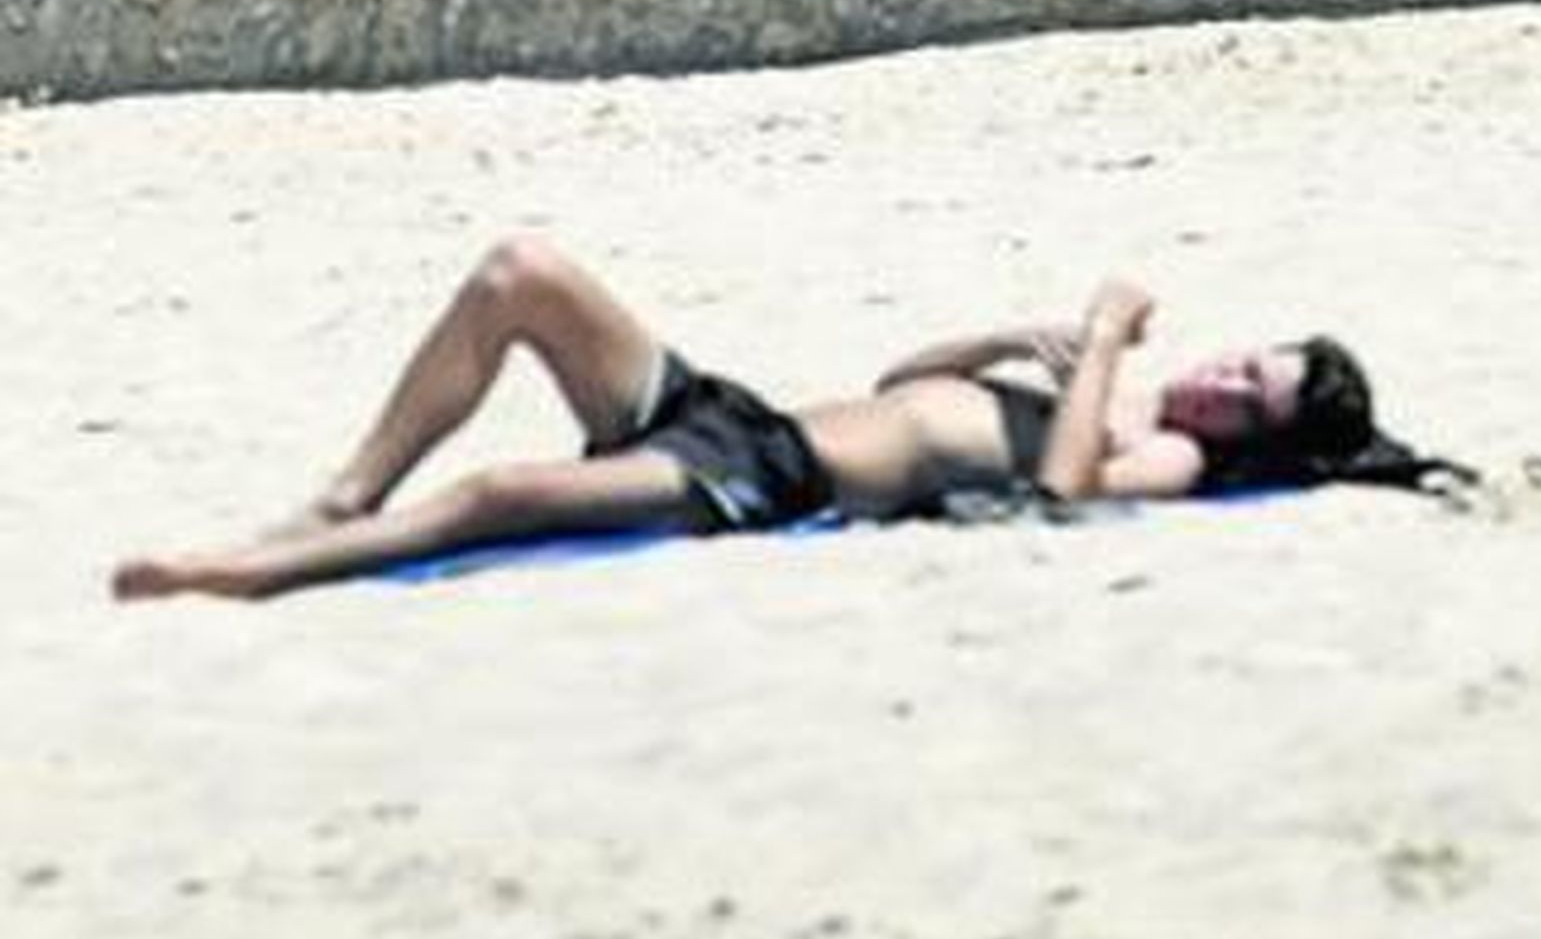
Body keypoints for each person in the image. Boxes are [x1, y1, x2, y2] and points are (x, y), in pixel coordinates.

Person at [110, 230, 1460, 602]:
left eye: (1250, 393)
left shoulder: (1146, 449)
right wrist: (1009, 333)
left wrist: (1105, 337)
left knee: (503, 496)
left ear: (1252, 440)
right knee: (519, 271)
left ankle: (249, 572)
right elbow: (901, 382)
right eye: (1244, 358)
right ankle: (348, 493)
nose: (1222, 374)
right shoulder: (1091, 401)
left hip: (767, 475)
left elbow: (1061, 502)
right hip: (725, 413)